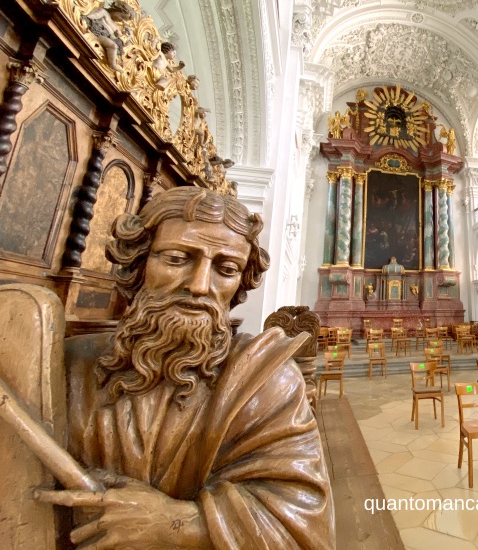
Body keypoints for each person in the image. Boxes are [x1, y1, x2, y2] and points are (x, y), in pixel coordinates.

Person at [36, 187, 334, 549]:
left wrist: (176, 525)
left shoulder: (267, 381)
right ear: (139, 261)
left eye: (226, 269)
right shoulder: (65, 366)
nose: (199, 286)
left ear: (241, 281)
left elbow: (303, 524)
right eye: (177, 258)